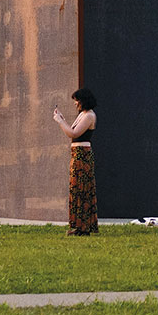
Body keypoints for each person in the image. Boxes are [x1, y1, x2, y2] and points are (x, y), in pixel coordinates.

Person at [51, 87, 97, 235]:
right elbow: (71, 131)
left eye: (77, 100)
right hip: (77, 154)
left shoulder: (89, 116)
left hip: (82, 155)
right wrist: (62, 119)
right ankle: (77, 226)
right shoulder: (83, 115)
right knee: (76, 190)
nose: (75, 103)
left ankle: (83, 227)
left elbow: (73, 133)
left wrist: (60, 121)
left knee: (82, 189)